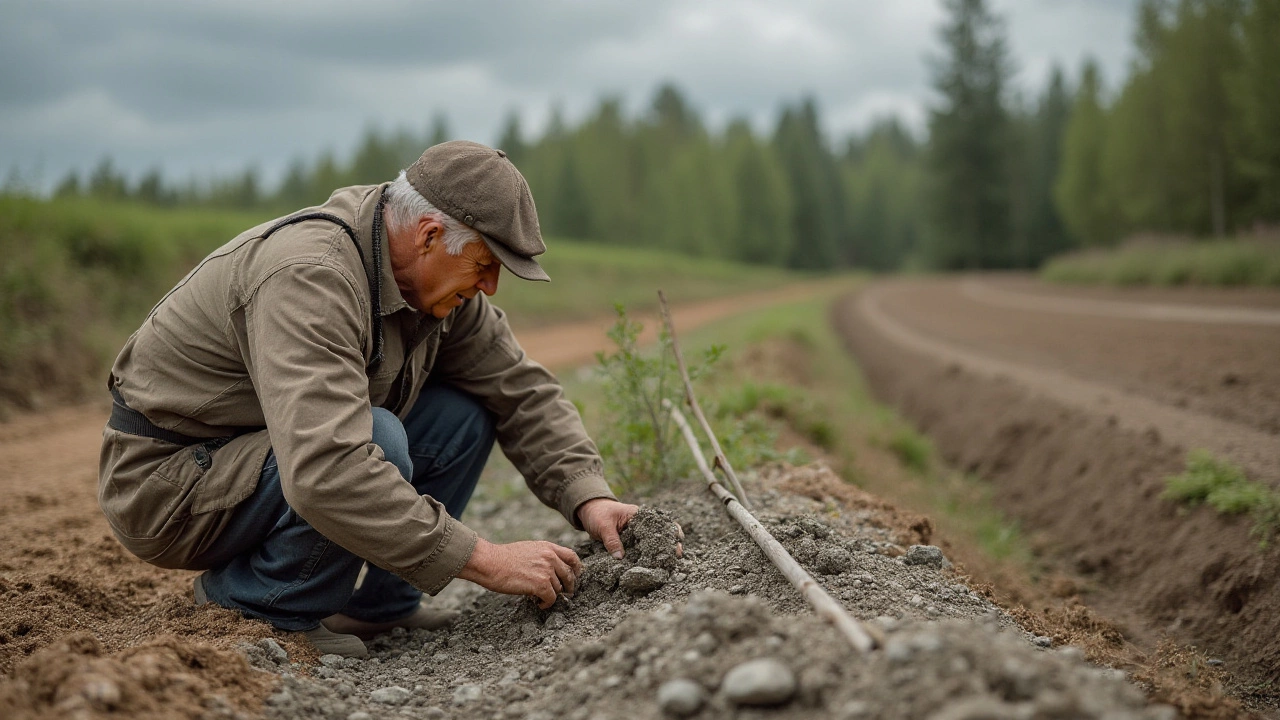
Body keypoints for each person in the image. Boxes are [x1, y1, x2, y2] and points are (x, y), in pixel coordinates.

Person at [98, 141, 639, 657]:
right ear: (429, 235)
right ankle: (259, 606)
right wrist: (485, 559)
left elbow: (520, 392)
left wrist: (589, 498)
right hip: (168, 484)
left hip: (255, 457)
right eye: (485, 265)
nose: (492, 287)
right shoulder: (312, 276)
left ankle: (378, 607)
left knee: (462, 418)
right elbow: (326, 467)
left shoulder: (436, 285)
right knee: (374, 436)